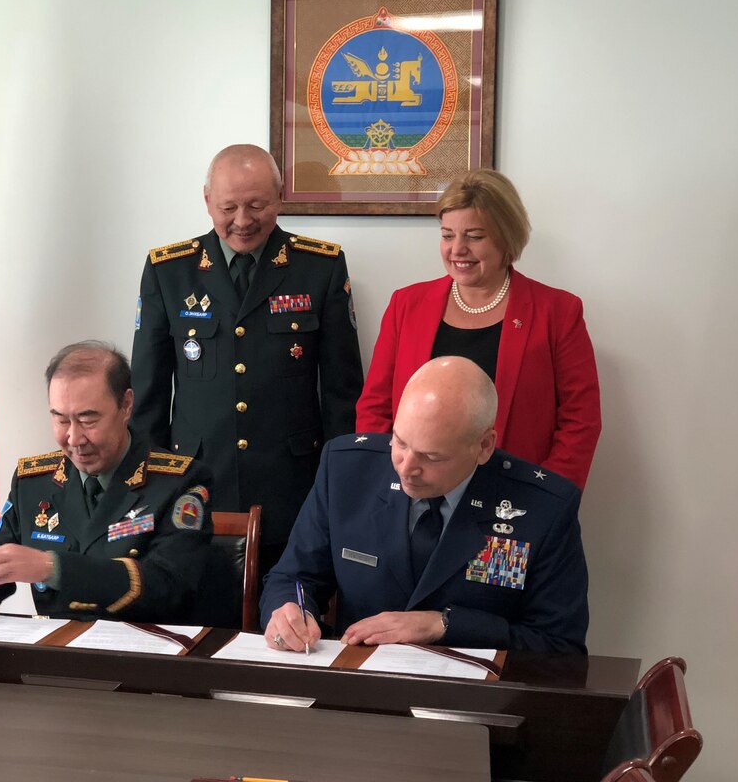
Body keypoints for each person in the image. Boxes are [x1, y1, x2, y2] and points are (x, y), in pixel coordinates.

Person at [131, 144, 363, 571]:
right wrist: (151, 488)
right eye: (228, 207)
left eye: (257, 205)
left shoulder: (320, 266)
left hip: (292, 483)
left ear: (279, 197)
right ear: (207, 202)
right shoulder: (169, 270)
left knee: (285, 612)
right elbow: (147, 393)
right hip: (195, 481)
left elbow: (341, 392)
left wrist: (340, 485)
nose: (242, 221)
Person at [261, 356, 589, 655]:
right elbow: (292, 577)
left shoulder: (543, 508)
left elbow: (560, 647)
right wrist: (289, 610)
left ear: (484, 446)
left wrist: (443, 624)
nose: (406, 467)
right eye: (400, 442)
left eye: (432, 457)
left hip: (476, 699)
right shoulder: (347, 470)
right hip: (359, 687)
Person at [0, 341, 214, 622]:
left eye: (88, 420)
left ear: (126, 405)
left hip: (144, 665)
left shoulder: (179, 482)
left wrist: (54, 568)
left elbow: (169, 587)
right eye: (61, 419)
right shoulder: (34, 481)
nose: (74, 438)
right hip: (55, 664)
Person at [355, 169, 601, 490]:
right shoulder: (406, 304)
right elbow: (375, 406)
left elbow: (580, 422)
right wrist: (391, 479)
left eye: (474, 236)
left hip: (514, 497)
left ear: (506, 238)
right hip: (413, 492)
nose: (457, 249)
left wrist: (547, 497)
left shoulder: (558, 312)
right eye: (447, 235)